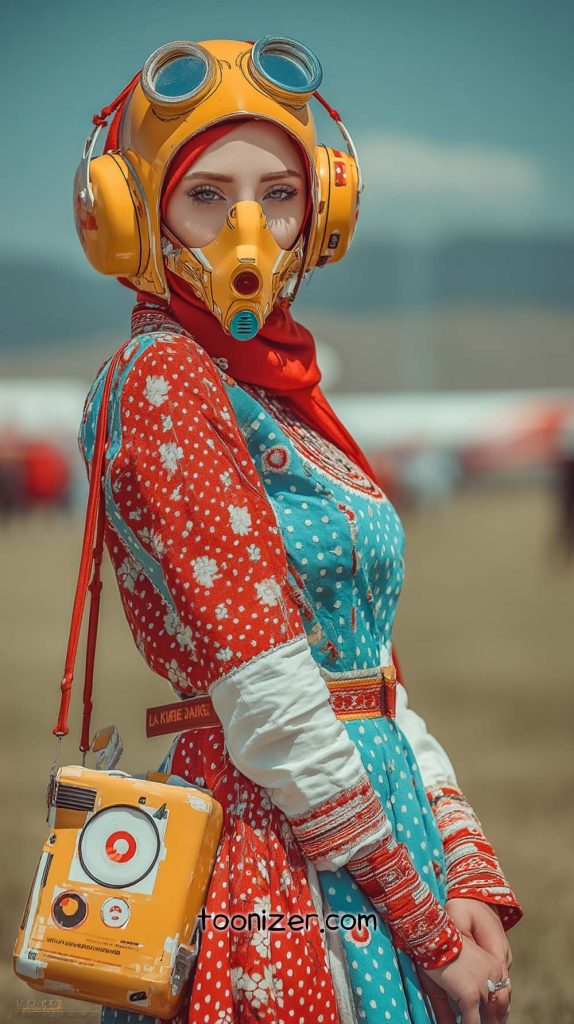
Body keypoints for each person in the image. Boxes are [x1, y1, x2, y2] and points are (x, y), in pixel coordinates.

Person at [74, 37, 523, 1024]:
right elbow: (272, 704)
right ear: (130, 214)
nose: (251, 229)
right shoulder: (162, 381)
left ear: (324, 212)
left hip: (369, 830)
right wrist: (426, 927)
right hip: (270, 853)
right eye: (207, 195)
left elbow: (367, 673)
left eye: (278, 194)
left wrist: (464, 867)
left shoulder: (280, 400)